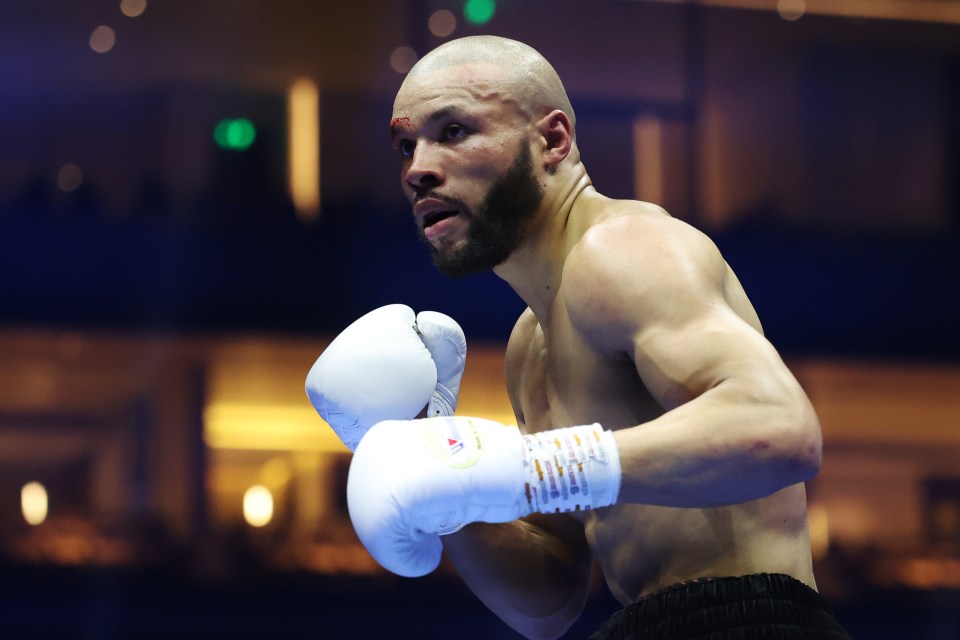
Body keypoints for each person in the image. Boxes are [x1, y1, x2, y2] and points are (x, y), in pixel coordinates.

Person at [307, 36, 851, 640]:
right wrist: (438, 475)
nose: (417, 168)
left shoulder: (623, 249)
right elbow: (550, 603)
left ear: (553, 141)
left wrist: (531, 467)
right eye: (407, 145)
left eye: (454, 130)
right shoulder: (529, 346)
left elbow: (782, 429)